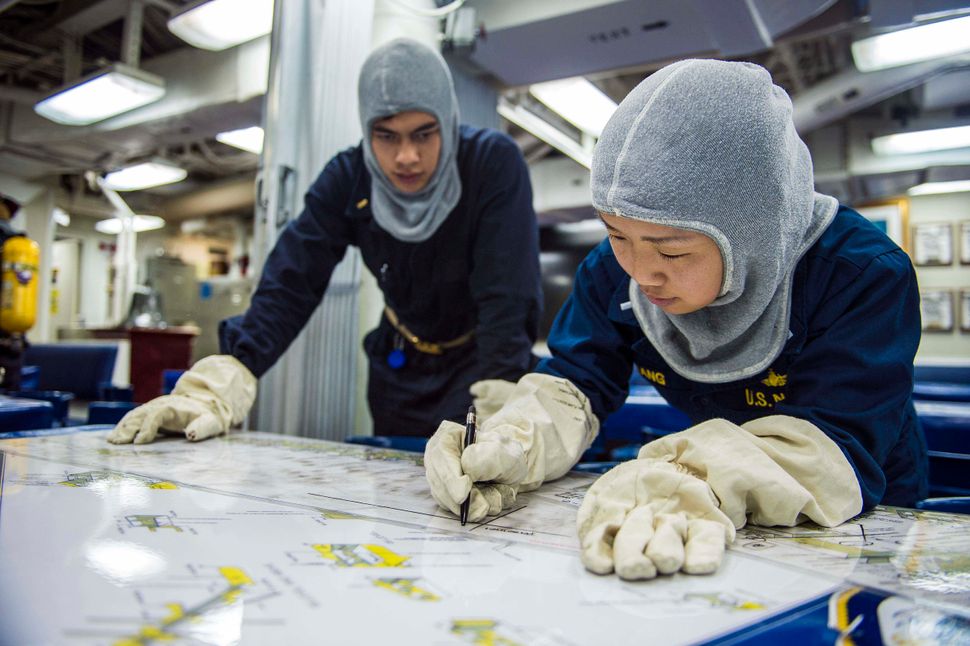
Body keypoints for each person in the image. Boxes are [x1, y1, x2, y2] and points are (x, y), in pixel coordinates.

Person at [424, 59, 927, 581]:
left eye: (672, 251)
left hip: (856, 514)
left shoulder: (861, 274)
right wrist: (516, 438)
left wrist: (694, 479)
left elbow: (837, 440)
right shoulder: (610, 272)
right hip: (698, 515)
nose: (642, 274)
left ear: (749, 232)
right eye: (618, 236)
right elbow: (576, 382)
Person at [107, 38, 541, 444]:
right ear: (367, 132)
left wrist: (501, 399)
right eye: (386, 136)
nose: (405, 156)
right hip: (399, 365)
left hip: (480, 365)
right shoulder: (349, 177)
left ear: (447, 120)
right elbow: (292, 278)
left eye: (423, 133)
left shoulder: (491, 164)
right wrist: (224, 378)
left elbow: (506, 293)